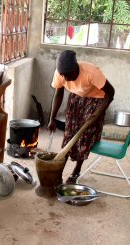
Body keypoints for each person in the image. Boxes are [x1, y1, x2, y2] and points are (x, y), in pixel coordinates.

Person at [47, 50, 115, 184]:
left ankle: (76, 171)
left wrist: (97, 113)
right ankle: (59, 173)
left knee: (83, 137)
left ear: (75, 68)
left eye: (68, 75)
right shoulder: (61, 74)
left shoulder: (92, 72)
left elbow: (110, 93)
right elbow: (59, 94)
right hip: (76, 98)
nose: (65, 78)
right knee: (69, 136)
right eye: (63, 75)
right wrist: (52, 119)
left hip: (96, 100)